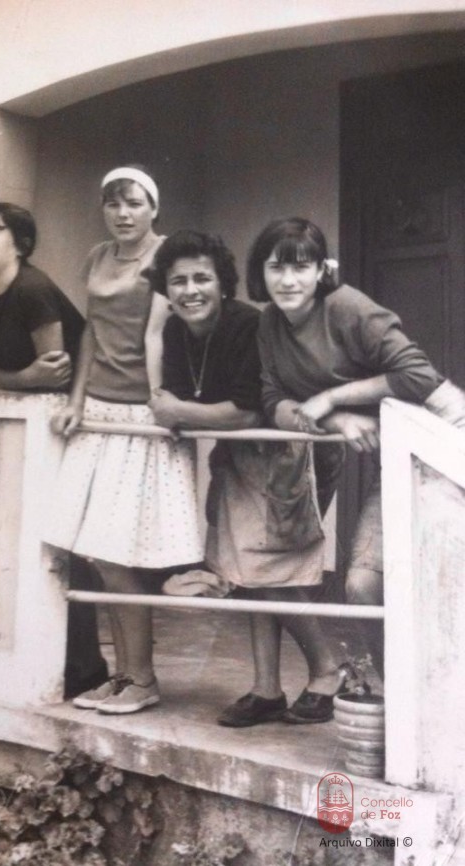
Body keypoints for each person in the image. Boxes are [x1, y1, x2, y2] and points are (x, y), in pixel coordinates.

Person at [148, 229, 347, 727]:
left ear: (223, 283)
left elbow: (245, 412)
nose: (190, 290)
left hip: (288, 456)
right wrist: (187, 411)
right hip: (238, 457)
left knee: (268, 572)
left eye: (201, 279)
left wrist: (181, 411)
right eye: (178, 281)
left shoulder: (247, 326)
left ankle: (328, 671)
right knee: (246, 572)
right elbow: (182, 402)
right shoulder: (174, 331)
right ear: (166, 289)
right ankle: (266, 689)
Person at [247, 216, 449, 688]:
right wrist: (333, 419)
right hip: (391, 456)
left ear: (322, 270)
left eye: (301, 267)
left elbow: (420, 376)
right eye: (277, 267)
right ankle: (401, 700)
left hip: (440, 444)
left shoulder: (345, 306)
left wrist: (333, 397)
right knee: (363, 586)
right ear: (261, 272)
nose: (288, 280)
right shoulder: (270, 323)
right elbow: (273, 400)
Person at [47, 168, 203, 714]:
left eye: (134, 203)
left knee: (117, 554)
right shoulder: (97, 257)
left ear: (153, 207)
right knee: (96, 553)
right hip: (99, 410)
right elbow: (91, 331)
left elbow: (156, 335)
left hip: (140, 415)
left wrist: (158, 400)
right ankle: (123, 675)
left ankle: (143, 678)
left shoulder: (165, 255)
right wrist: (75, 399)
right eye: (113, 203)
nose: (123, 213)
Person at [0, 200, 107, 698]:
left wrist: (21, 382)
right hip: (21, 412)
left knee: (60, 542)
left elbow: (56, 372)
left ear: (19, 244)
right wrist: (19, 379)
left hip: (69, 411)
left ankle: (86, 665)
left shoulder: (33, 290)